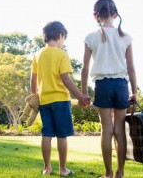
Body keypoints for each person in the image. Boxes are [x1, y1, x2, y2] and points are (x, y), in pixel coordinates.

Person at [81, 0, 137, 178]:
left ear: (95, 15)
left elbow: (85, 68)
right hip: (121, 85)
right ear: (115, 14)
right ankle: (120, 173)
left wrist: (84, 92)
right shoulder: (126, 37)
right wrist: (134, 92)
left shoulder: (91, 37)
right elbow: (131, 68)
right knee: (119, 130)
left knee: (106, 130)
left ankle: (107, 173)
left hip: (102, 85)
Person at [31, 21, 90, 176]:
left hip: (44, 101)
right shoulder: (62, 54)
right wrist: (81, 97)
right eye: (64, 38)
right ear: (59, 36)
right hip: (61, 101)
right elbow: (66, 79)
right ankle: (63, 169)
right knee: (62, 135)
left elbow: (33, 79)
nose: (63, 43)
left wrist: (34, 96)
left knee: (47, 134)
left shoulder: (37, 55)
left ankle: (47, 168)